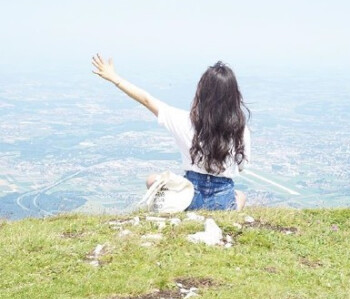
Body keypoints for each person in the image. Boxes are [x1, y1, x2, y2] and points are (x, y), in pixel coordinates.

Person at [92, 54, 251, 210]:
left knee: (151, 180)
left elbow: (147, 100)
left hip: (189, 199)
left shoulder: (185, 121)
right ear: (233, 97)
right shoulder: (241, 130)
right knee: (241, 196)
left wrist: (115, 78)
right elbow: (241, 166)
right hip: (221, 203)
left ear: (202, 92)